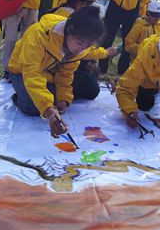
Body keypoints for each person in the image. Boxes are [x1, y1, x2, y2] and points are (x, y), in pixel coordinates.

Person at [8, 7, 106, 135]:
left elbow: (65, 74)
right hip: (21, 72)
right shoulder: (38, 34)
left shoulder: (79, 47)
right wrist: (49, 110)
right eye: (80, 43)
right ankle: (20, 97)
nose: (82, 50)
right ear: (70, 29)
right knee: (35, 108)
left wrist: (63, 99)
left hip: (47, 73)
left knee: (90, 89)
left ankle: (45, 94)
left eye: (89, 46)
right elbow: (32, 74)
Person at [47, 0, 117, 100]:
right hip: (55, 65)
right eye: (90, 5)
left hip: (63, 63)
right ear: (80, 3)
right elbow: (79, 49)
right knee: (90, 88)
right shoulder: (69, 17)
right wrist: (105, 53)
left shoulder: (63, 11)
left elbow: (82, 48)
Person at [120, 0, 160, 72]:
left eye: (159, 16)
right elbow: (128, 46)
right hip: (139, 63)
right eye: (155, 16)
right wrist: (144, 48)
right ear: (148, 13)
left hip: (156, 64)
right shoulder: (139, 26)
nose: (157, 18)